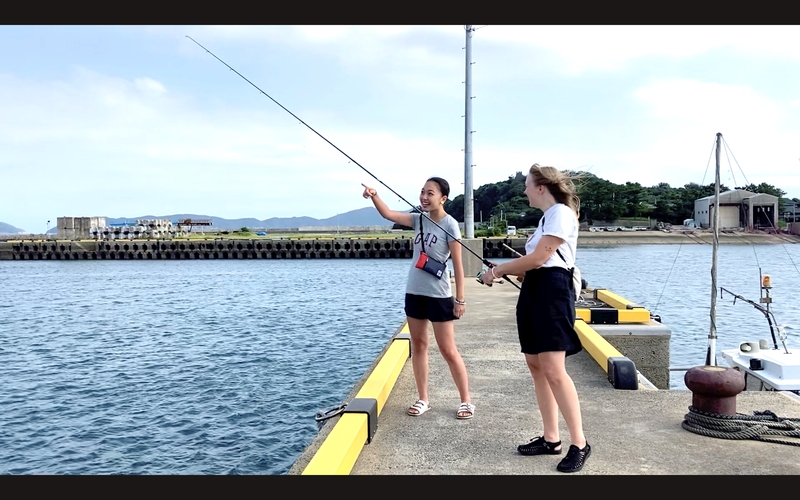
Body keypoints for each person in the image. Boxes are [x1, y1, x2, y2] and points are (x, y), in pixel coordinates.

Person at [479, 164, 590, 473]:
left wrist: (498, 271)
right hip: (536, 290)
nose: (525, 190)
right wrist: (515, 271)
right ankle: (551, 438)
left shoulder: (560, 213)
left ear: (541, 187)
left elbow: (541, 258)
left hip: (553, 291)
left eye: (527, 185)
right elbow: (536, 262)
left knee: (554, 369)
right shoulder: (547, 217)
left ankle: (580, 443)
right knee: (536, 364)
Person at [361, 177, 475, 419]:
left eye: (430, 193)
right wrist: (374, 195)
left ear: (443, 198)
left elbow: (458, 265)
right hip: (414, 292)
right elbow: (388, 214)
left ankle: (466, 401)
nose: (424, 197)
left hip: (439, 295)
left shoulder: (450, 225)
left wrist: (460, 299)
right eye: (422, 192)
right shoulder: (418, 219)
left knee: (447, 349)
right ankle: (423, 399)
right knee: (420, 345)